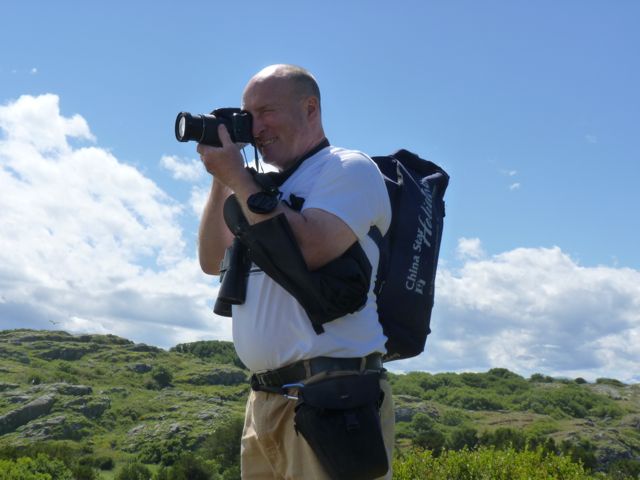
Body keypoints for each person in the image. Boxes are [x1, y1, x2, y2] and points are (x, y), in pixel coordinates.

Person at [197, 64, 394, 479]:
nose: (255, 127)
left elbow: (309, 249)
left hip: (333, 400)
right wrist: (222, 179)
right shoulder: (260, 188)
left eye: (266, 111)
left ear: (310, 108)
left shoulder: (348, 169)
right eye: (248, 115)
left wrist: (238, 178)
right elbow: (212, 260)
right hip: (266, 402)